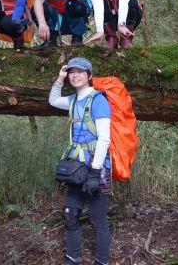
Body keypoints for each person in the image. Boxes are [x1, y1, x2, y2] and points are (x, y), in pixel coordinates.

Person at [49, 57, 112, 265]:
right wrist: (59, 78)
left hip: (97, 168)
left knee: (97, 220)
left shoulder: (98, 100)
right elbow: (52, 100)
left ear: (90, 76)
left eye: (81, 72)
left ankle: (101, 261)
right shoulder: (73, 100)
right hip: (76, 169)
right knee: (70, 214)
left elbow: (104, 139)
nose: (75, 75)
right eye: (72, 72)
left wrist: (95, 172)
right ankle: (72, 258)